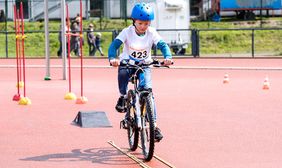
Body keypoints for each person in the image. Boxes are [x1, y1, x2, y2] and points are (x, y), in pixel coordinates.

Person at [108, 2, 173, 141]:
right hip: (128, 63)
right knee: (123, 73)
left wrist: (168, 57)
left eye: (146, 23)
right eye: (140, 23)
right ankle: (123, 97)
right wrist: (113, 58)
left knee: (148, 91)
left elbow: (162, 45)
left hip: (144, 65)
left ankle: (154, 127)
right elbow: (114, 45)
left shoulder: (151, 32)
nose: (144, 26)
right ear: (134, 21)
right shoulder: (127, 32)